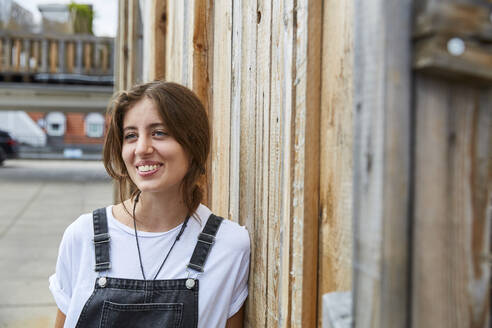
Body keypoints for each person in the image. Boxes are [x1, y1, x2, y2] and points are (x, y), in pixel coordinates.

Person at [49, 81, 251, 328]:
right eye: (131, 135)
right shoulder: (83, 236)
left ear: (193, 142)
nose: (142, 149)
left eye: (159, 133)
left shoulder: (229, 246)